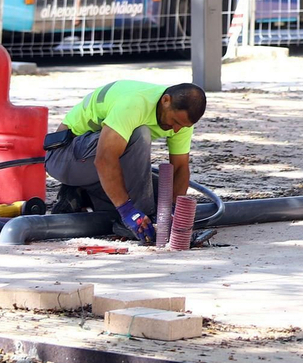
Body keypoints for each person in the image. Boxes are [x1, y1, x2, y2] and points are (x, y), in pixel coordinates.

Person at [43, 81, 207, 244]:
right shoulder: (135, 104)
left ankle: (82, 194)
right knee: (140, 134)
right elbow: (104, 159)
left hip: (92, 163)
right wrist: (130, 212)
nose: (176, 129)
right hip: (64, 159)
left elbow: (179, 168)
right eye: (175, 122)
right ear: (165, 100)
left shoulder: (181, 120)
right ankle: (133, 221)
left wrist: (171, 211)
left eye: (182, 126)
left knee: (160, 196)